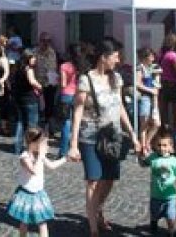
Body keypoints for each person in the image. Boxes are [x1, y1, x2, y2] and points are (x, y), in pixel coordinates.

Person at [68, 38, 140, 237]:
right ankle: (93, 228)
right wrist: (73, 143)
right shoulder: (86, 79)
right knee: (93, 180)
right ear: (103, 57)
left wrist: (133, 134)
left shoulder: (116, 78)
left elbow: (120, 108)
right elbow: (78, 111)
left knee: (109, 179)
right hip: (90, 137)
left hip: (113, 136)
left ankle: (96, 208)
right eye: (115, 56)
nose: (118, 60)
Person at [7, 127, 65, 237]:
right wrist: (41, 156)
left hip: (38, 194)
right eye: (44, 144)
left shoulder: (40, 156)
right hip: (25, 194)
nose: (47, 147)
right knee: (24, 222)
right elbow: (33, 170)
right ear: (33, 143)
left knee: (42, 223)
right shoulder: (24, 157)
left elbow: (52, 165)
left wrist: (66, 159)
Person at [141, 129, 176, 236]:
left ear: (171, 147)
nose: (162, 148)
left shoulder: (174, 161)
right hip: (155, 195)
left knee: (171, 216)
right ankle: (153, 223)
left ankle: (171, 232)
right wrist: (140, 155)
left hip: (170, 196)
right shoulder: (153, 157)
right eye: (159, 145)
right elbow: (143, 164)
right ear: (155, 145)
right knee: (154, 214)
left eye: (165, 145)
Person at [12, 50, 42, 155]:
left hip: (20, 99)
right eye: (32, 57)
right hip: (30, 100)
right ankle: (32, 148)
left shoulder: (18, 69)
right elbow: (32, 82)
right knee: (32, 125)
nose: (35, 59)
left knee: (20, 123)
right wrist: (41, 87)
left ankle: (17, 147)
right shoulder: (28, 69)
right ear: (27, 58)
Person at [135, 48, 160, 156]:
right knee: (144, 123)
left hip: (154, 98)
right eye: (151, 56)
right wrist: (151, 90)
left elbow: (157, 83)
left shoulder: (155, 67)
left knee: (156, 123)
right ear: (145, 58)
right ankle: (143, 146)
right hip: (144, 97)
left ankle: (147, 142)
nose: (153, 58)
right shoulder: (140, 68)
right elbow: (137, 83)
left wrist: (156, 89)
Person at [157, 33, 176, 130]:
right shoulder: (173, 55)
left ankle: (164, 130)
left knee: (164, 111)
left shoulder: (161, 54)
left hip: (163, 84)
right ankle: (174, 131)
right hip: (173, 85)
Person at [34, 32, 59, 127]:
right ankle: (37, 121)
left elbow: (54, 67)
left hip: (50, 82)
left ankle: (48, 122)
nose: (46, 43)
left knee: (50, 103)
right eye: (43, 40)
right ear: (40, 41)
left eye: (48, 41)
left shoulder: (52, 52)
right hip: (37, 81)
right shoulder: (35, 52)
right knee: (36, 102)